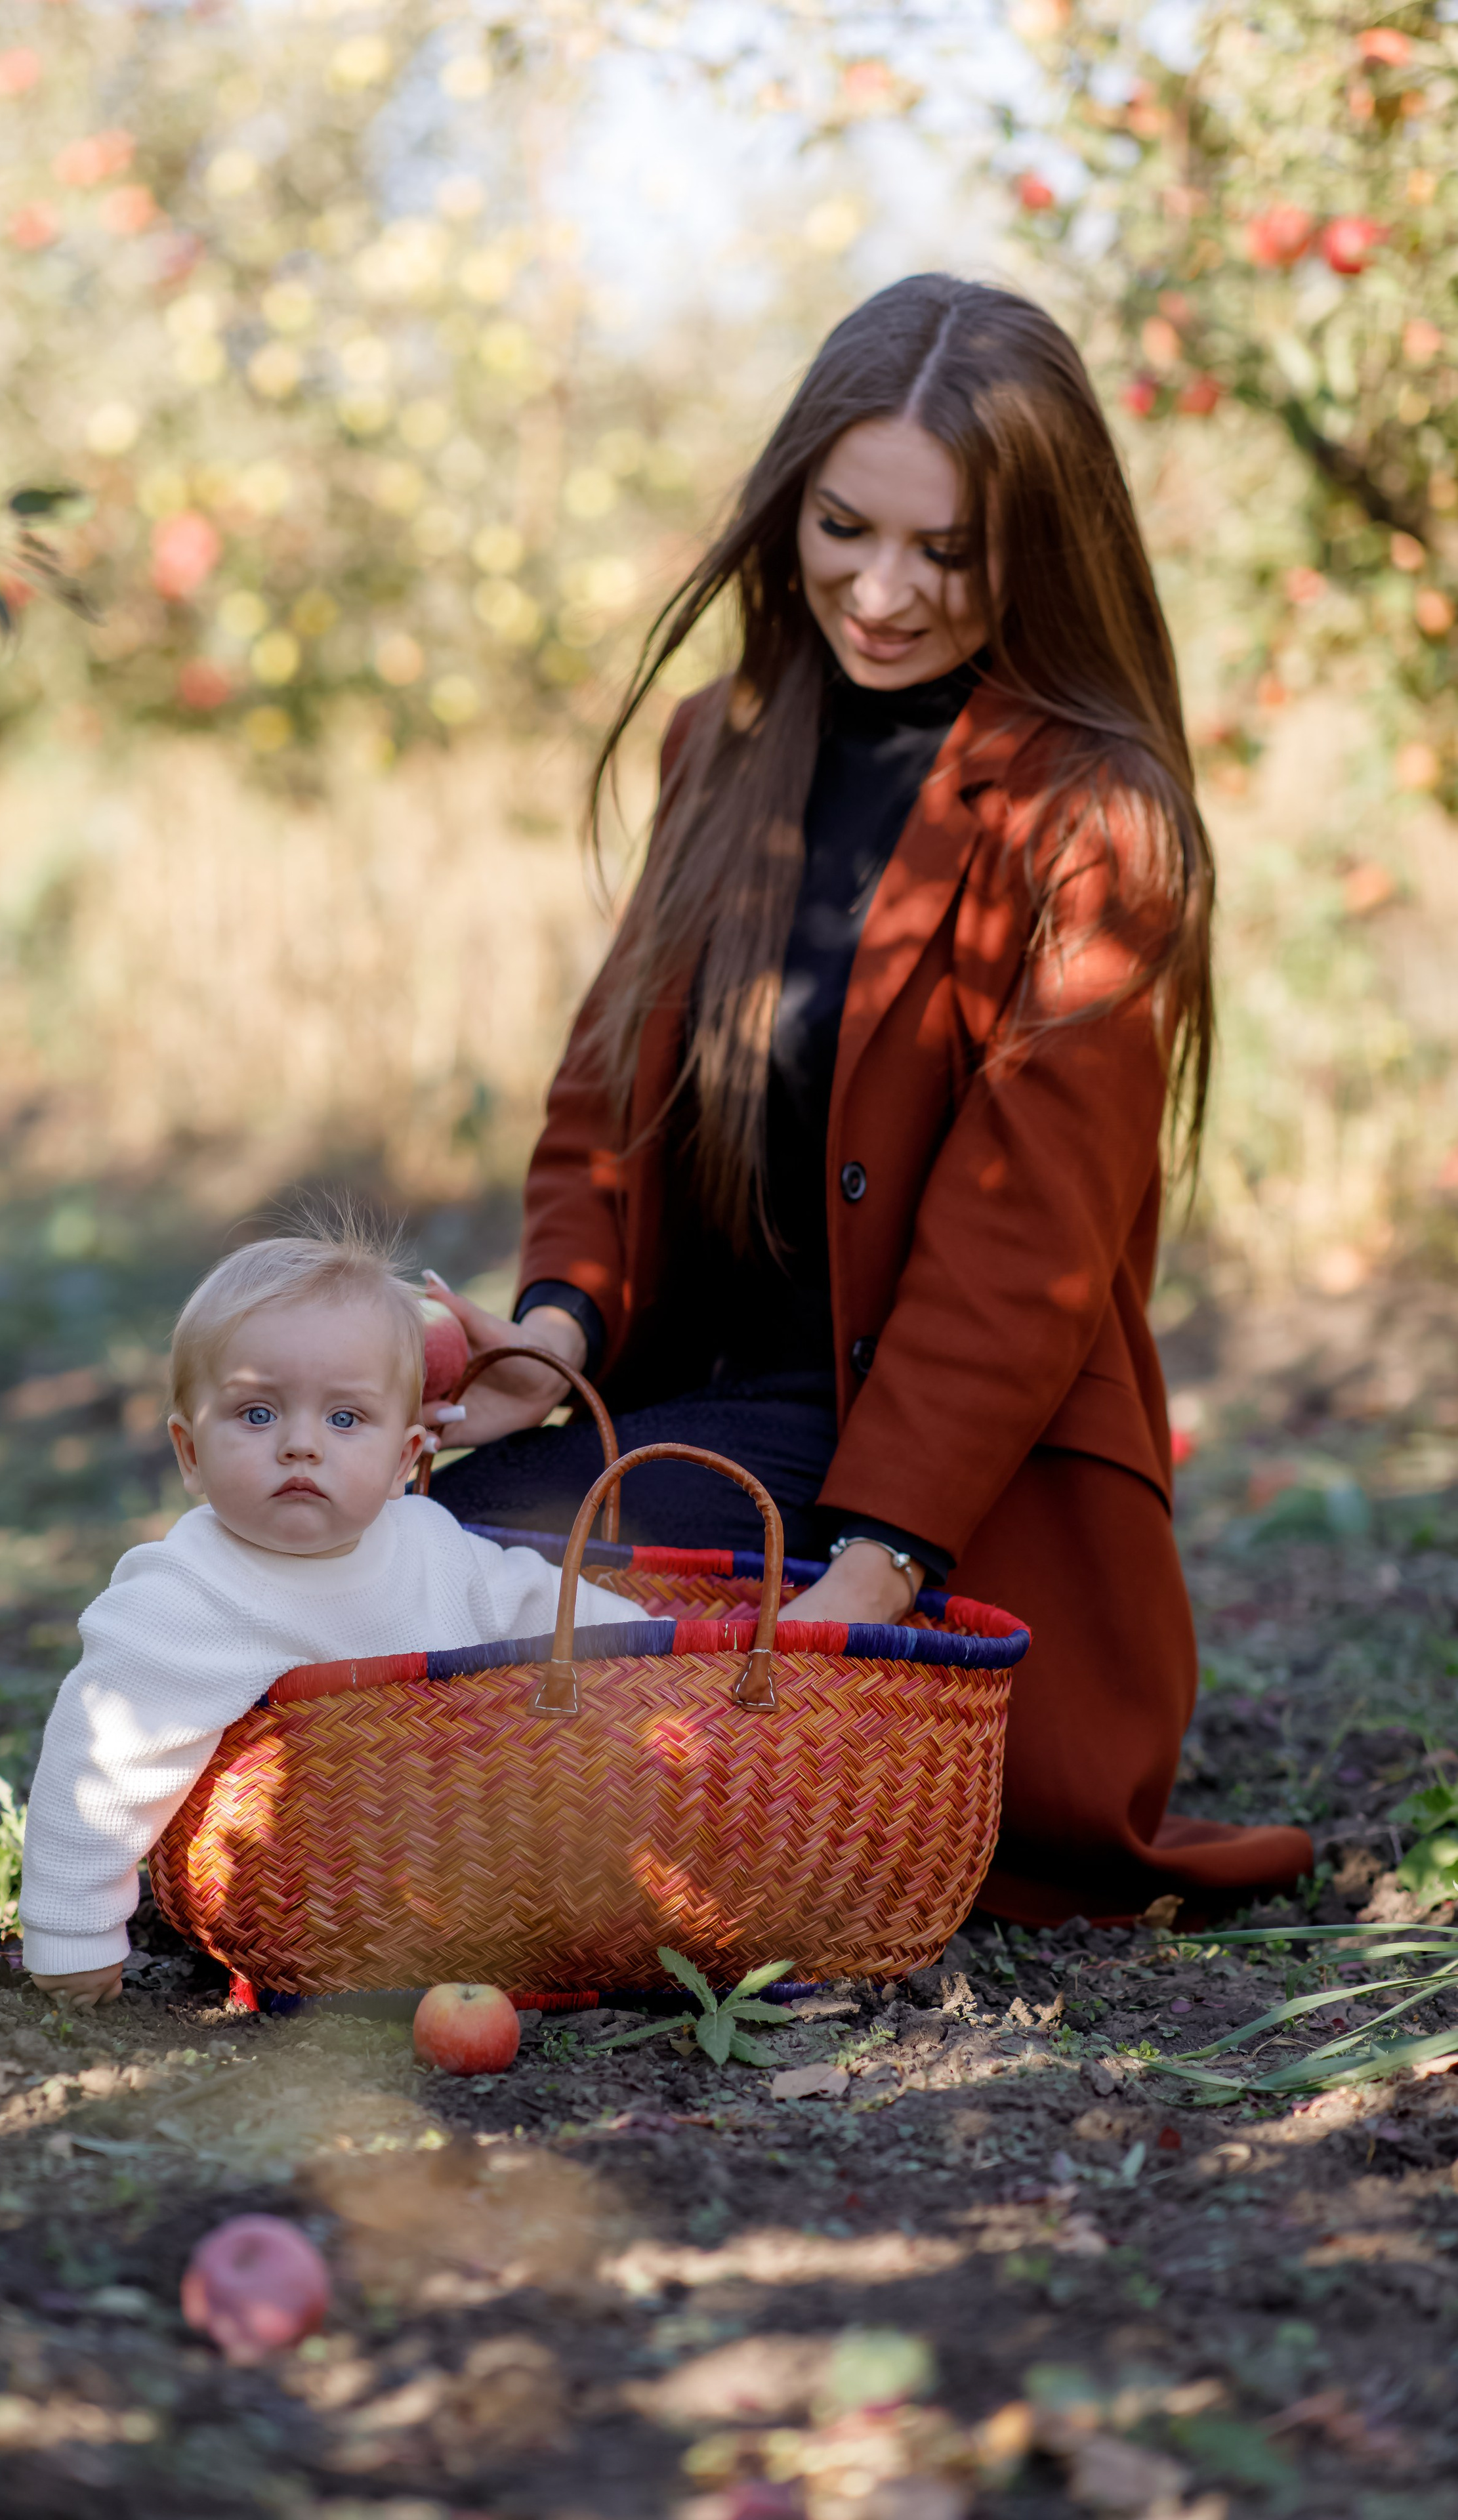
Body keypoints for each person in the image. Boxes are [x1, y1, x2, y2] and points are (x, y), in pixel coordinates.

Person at [429, 273, 1312, 1925]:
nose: (882, 592)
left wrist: (873, 1574)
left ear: (1035, 552)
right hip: (697, 1413)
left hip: (924, 1473)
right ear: (789, 507)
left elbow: (1018, 1257)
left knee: (486, 1638)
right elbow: (603, 1103)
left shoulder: (1090, 818)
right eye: (843, 527)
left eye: (947, 552)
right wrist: (547, 1333)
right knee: (363, 1567)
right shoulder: (725, 742)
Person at [20, 1227, 631, 2005]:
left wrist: (664, 1655)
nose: (301, 1445)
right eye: (256, 1414)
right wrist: (72, 1935)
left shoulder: (431, 1545)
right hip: (295, 1904)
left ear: (407, 1457)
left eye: (345, 1420)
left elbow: (544, 1604)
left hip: (462, 1885)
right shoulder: (183, 1594)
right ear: (189, 1453)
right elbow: (98, 1760)